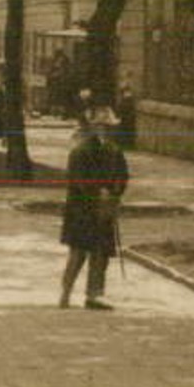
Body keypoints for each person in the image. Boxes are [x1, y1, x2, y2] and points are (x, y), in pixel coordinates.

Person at [59, 104, 131, 311]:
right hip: (82, 210)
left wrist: (116, 192)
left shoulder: (114, 151)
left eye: (109, 126)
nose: (106, 130)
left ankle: (94, 295)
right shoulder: (80, 151)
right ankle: (66, 293)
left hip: (104, 211)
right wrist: (98, 192)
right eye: (102, 125)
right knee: (78, 253)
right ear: (93, 127)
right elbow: (79, 181)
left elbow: (123, 175)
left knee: (101, 255)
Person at [115, 85, 139, 151]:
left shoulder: (129, 101)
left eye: (128, 92)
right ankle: (126, 145)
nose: (127, 93)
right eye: (126, 92)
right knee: (124, 132)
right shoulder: (124, 100)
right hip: (125, 119)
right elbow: (119, 109)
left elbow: (131, 110)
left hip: (128, 119)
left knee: (127, 132)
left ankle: (129, 145)